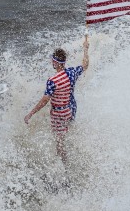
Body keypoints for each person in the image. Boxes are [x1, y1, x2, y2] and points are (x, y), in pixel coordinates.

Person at [24, 34, 89, 164]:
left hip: (59, 113)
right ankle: (67, 139)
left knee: (59, 141)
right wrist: (85, 49)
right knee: (67, 129)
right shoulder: (72, 72)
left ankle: (64, 164)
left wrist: (30, 113)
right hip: (71, 108)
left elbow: (44, 101)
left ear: (55, 62)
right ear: (64, 62)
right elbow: (85, 65)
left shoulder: (52, 81)